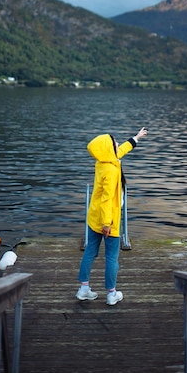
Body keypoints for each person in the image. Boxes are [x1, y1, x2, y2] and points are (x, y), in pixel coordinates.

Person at [76, 126, 148, 306]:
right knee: (111, 257)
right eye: (114, 142)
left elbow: (121, 150)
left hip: (94, 217)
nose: (117, 143)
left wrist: (136, 138)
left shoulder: (103, 162)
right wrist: (107, 224)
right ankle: (111, 293)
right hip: (108, 220)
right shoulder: (111, 170)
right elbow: (108, 199)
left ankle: (83, 289)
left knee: (90, 251)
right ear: (108, 148)